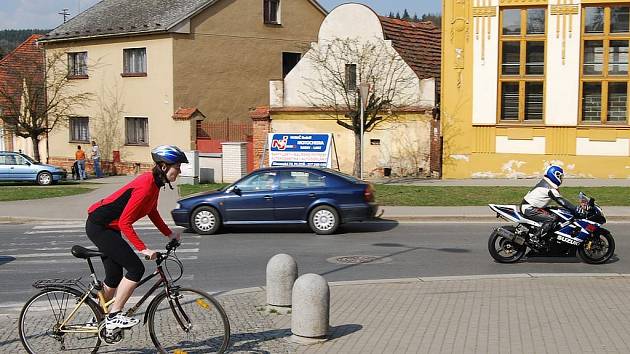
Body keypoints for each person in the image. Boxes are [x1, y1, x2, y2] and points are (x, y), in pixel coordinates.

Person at [85, 145, 188, 331]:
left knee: (114, 276)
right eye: (177, 167)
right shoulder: (146, 184)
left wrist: (169, 233)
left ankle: (98, 316)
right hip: (99, 226)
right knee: (135, 268)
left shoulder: (155, 184)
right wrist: (143, 248)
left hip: (109, 227)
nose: (179, 171)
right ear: (164, 167)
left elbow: (152, 211)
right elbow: (125, 222)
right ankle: (115, 315)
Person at [520, 165, 585, 247]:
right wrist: (576, 209)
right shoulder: (550, 187)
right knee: (552, 218)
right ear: (554, 175)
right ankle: (535, 237)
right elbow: (561, 201)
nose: (561, 178)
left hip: (531, 206)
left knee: (557, 212)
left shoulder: (548, 183)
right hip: (529, 208)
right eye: (559, 176)